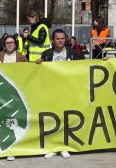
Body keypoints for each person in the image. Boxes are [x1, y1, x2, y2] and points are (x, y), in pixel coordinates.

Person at [35, 29, 84, 159]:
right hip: (51, 92)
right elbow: (38, 74)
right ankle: (52, 147)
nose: (60, 41)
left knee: (67, 120)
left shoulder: (73, 53)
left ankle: (64, 146)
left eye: (62, 38)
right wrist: (38, 64)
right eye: (58, 38)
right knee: (52, 120)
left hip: (68, 92)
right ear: (53, 40)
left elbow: (84, 67)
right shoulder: (46, 54)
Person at [0, 35, 26, 161]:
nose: (9, 44)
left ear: (15, 44)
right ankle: (2, 146)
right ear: (4, 44)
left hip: (15, 93)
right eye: (7, 42)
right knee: (1, 119)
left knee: (12, 120)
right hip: (0, 93)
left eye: (12, 42)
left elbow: (28, 72)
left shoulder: (21, 57)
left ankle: (13, 148)